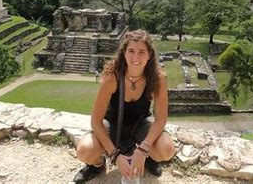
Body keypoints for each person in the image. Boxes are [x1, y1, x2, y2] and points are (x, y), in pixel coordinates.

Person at [73, 30, 176, 183]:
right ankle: (97, 165)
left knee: (167, 149)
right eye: (131, 51)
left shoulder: (157, 77)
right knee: (84, 151)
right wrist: (114, 155)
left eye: (142, 52)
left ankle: (148, 158)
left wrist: (143, 148)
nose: (136, 57)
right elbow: (96, 120)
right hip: (113, 124)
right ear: (124, 53)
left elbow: (161, 119)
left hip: (140, 124)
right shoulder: (112, 77)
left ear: (149, 55)